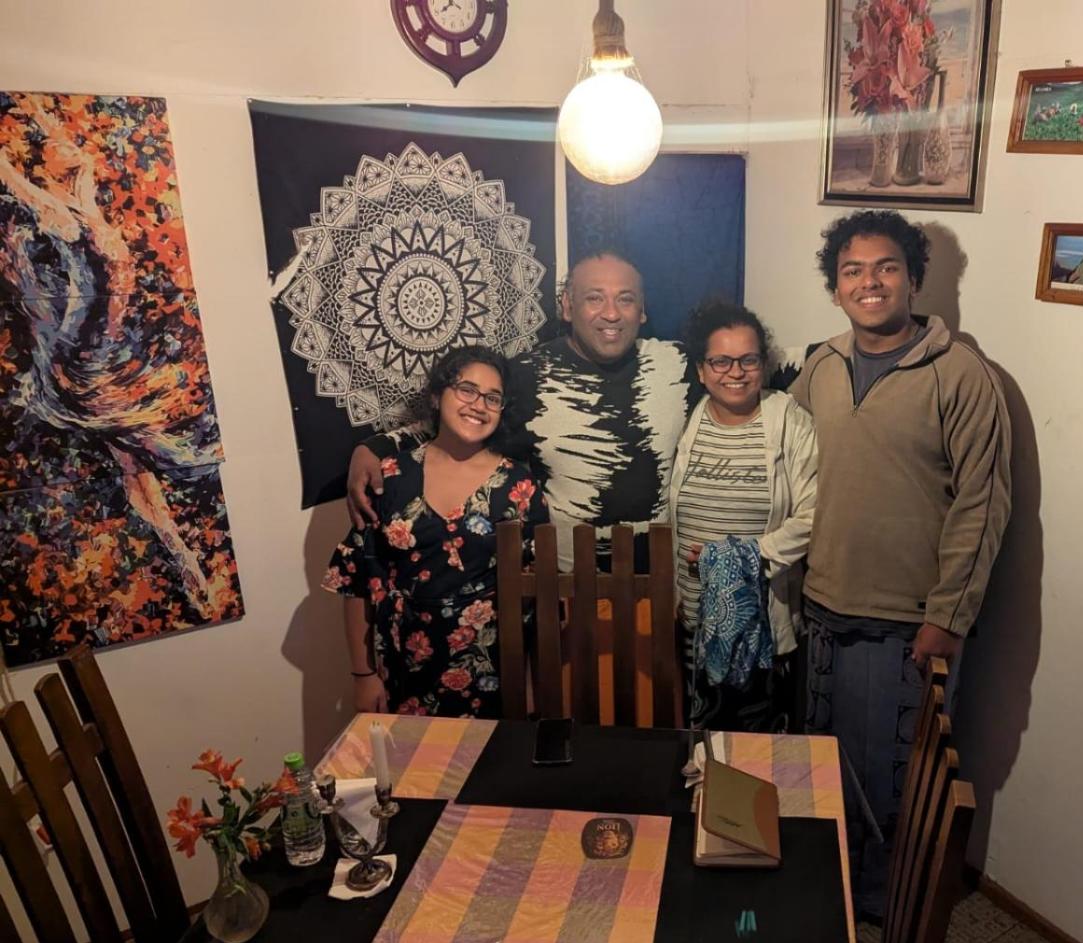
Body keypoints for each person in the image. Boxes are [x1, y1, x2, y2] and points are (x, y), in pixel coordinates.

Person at [790, 210, 1012, 917]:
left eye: (886, 267)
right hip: (822, 606)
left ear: (913, 279)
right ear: (835, 287)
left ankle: (885, 917)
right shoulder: (821, 366)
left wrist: (949, 617)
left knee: (892, 779)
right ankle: (828, 889)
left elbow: (982, 504)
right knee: (825, 765)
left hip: (906, 622)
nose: (870, 282)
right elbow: (789, 467)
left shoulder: (961, 375)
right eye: (852, 270)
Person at [346, 249, 697, 571]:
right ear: (567, 306)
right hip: (564, 584)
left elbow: (730, 393)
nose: (611, 313)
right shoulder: (526, 376)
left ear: (642, 309)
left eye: (625, 299)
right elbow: (454, 421)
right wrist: (374, 448)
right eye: (594, 297)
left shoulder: (679, 364)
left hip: (661, 580)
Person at [323, 345, 548, 719]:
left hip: (491, 672)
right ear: (436, 395)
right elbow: (356, 581)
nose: (479, 405)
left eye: (492, 398)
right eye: (466, 390)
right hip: (403, 669)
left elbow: (539, 599)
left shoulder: (518, 487)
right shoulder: (390, 478)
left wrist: (530, 685)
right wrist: (363, 675)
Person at [668, 301, 818, 731]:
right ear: (701, 370)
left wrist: (744, 558)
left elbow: (814, 514)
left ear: (763, 364)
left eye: (748, 360)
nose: (735, 372)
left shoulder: (789, 421)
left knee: (759, 751)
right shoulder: (688, 420)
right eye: (721, 361)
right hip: (693, 620)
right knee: (699, 744)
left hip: (761, 629)